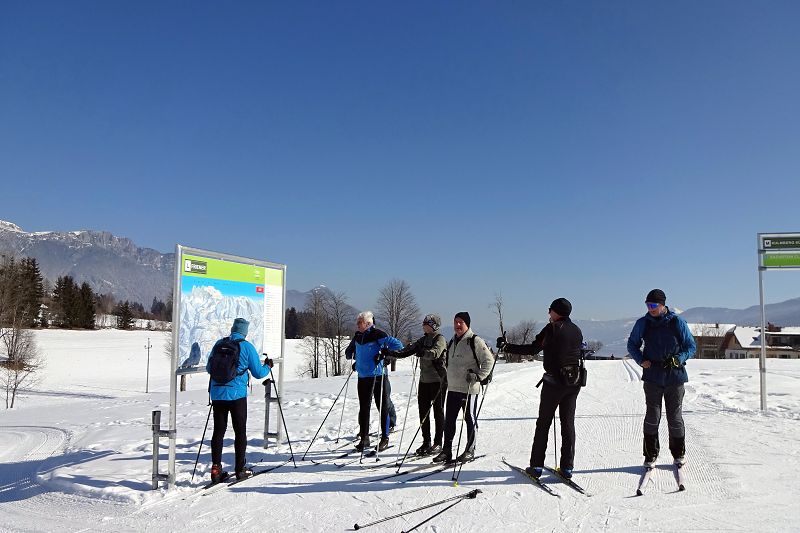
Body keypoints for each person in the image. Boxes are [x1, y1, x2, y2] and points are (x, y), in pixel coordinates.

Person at [497, 298, 583, 480]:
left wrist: (507, 346)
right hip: (573, 383)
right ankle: (567, 467)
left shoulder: (551, 328)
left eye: (550, 310)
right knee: (567, 424)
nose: (548, 313)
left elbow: (532, 349)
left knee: (543, 423)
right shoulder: (577, 330)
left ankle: (536, 466)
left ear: (556, 312)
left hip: (554, 384)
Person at [627, 289, 696, 467]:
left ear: (663, 305)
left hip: (675, 377)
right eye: (648, 305)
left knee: (674, 418)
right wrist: (641, 360)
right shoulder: (643, 323)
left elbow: (690, 346)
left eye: (653, 305)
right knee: (652, 416)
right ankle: (650, 455)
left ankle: (678, 454)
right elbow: (632, 344)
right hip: (653, 377)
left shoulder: (676, 322)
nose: (650, 309)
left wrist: (679, 358)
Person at [206, 318, 273, 482]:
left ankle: (215, 469)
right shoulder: (247, 347)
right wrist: (268, 366)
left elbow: (209, 368)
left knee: (218, 432)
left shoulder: (218, 344)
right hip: (237, 395)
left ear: (232, 329)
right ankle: (239, 469)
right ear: (245, 331)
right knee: (240, 431)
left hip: (217, 394)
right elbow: (258, 373)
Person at [383, 314, 448, 456]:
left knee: (438, 413)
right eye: (424, 323)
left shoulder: (440, 339)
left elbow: (435, 353)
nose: (424, 325)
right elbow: (408, 350)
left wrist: (423, 352)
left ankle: (438, 443)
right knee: (423, 412)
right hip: (424, 381)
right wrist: (391, 353)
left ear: (434, 326)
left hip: (438, 381)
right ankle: (426, 442)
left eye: (427, 324)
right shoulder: (423, 339)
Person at [432, 312, 493, 464]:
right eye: (456, 322)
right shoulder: (452, 340)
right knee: (449, 421)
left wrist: (479, 376)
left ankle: (470, 450)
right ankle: (447, 451)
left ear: (467, 324)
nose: (457, 325)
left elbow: (489, 361)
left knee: (469, 419)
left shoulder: (475, 341)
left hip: (469, 389)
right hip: (452, 387)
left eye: (461, 323)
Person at [345, 311, 403, 452]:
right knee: (364, 408)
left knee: (382, 407)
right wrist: (352, 355)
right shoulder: (358, 336)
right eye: (357, 322)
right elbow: (352, 351)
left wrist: (384, 353)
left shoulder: (378, 334)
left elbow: (398, 345)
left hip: (378, 377)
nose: (357, 324)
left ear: (368, 323)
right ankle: (364, 438)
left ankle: (385, 438)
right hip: (363, 377)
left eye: (360, 322)